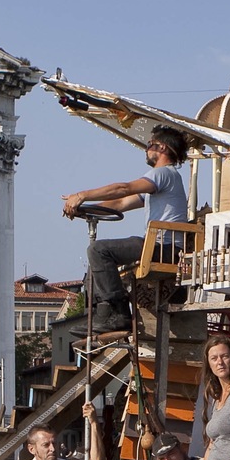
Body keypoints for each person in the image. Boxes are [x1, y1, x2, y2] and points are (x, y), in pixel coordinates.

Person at [61, 127, 190, 332]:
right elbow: (120, 202)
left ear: (162, 147)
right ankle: (102, 315)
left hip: (164, 248)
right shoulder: (161, 183)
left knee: (98, 250)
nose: (146, 150)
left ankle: (118, 313)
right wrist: (84, 210)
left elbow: (123, 188)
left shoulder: (163, 173)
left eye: (149, 145)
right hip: (157, 245)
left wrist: (83, 194)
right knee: (96, 260)